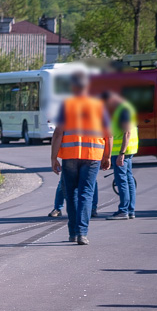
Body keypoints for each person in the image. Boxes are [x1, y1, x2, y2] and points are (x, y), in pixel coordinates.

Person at [50, 72, 112, 245]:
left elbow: (58, 133)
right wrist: (107, 156)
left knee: (71, 194)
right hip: (93, 156)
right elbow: (109, 135)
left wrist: (53, 158)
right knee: (86, 194)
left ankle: (73, 232)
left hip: (70, 156)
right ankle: (82, 233)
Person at [103, 91, 138, 220]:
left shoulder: (122, 110)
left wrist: (121, 153)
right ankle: (130, 210)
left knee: (122, 180)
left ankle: (124, 210)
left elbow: (127, 132)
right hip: (127, 150)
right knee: (128, 180)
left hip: (121, 151)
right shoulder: (127, 108)